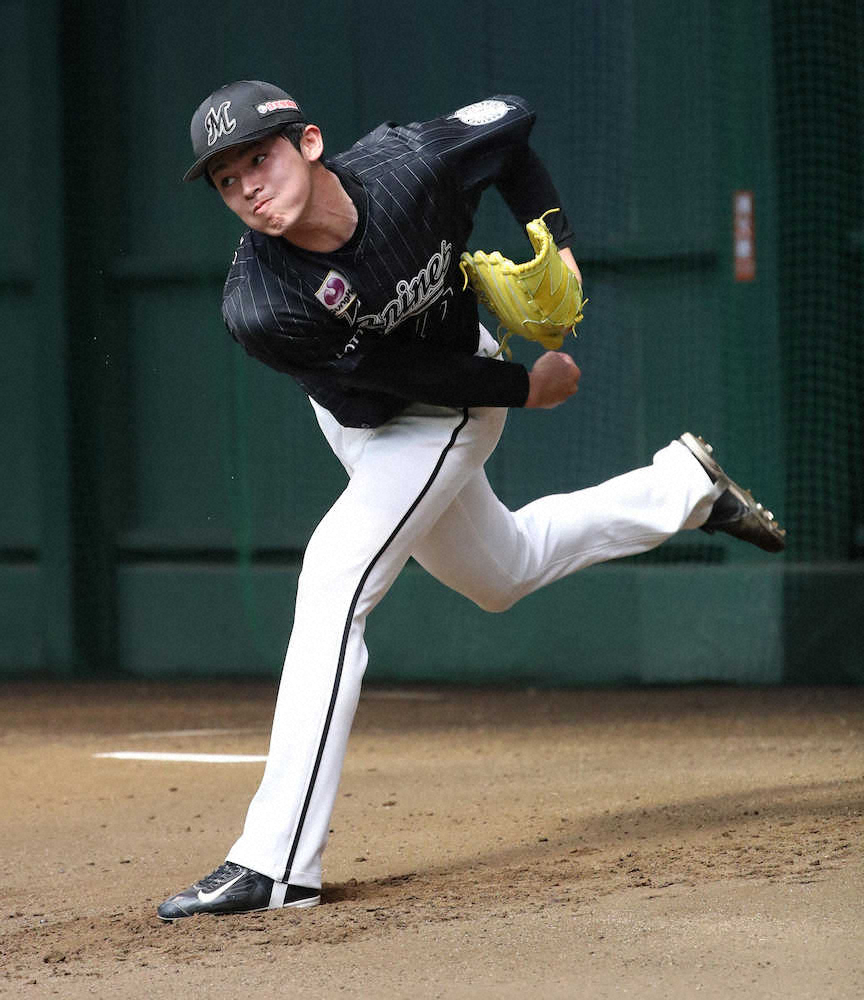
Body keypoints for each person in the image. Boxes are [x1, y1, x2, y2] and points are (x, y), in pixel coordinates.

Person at [157, 80, 785, 921]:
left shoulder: (411, 164)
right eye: (227, 182)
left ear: (307, 142)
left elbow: (514, 127)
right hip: (386, 405)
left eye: (258, 160)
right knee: (504, 570)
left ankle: (276, 864)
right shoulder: (260, 303)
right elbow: (395, 375)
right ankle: (684, 488)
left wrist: (554, 240)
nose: (249, 190)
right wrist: (526, 387)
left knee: (334, 581)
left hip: (447, 413)